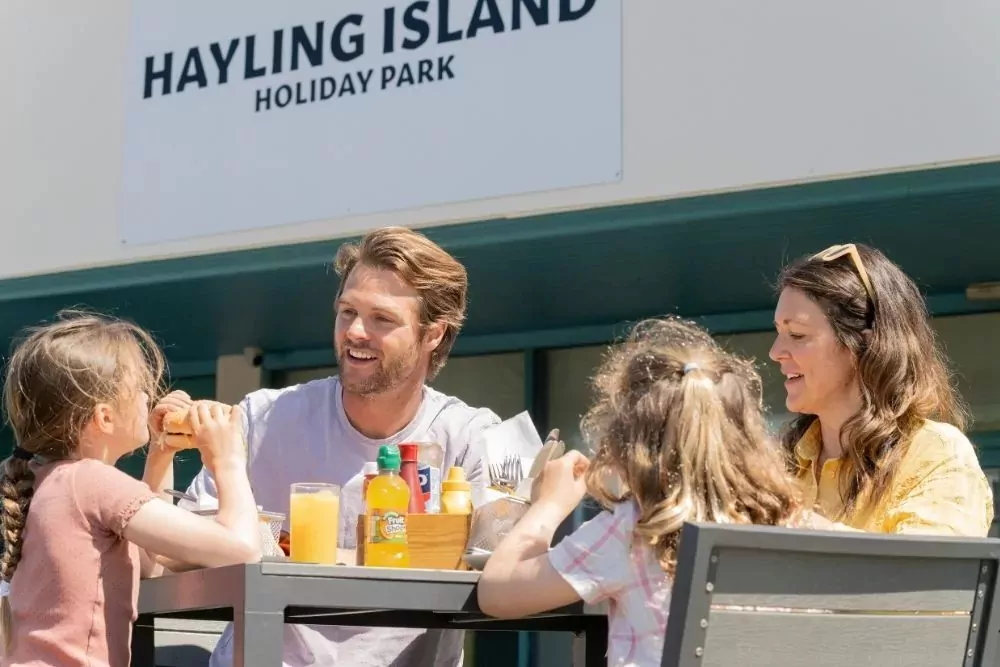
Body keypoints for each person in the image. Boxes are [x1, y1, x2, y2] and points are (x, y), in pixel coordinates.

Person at [164, 227, 502, 667]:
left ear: (433, 335)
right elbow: (175, 551)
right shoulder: (263, 417)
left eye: (382, 319)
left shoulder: (475, 437)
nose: (356, 332)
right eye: (347, 312)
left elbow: (504, 568)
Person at [477, 316, 812, 667]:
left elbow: (497, 592)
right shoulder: (802, 527)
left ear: (629, 441)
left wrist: (550, 504)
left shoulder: (633, 532)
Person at [0, 310, 261, 667]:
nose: (148, 396)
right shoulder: (93, 481)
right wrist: (229, 459)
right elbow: (242, 550)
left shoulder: (47, 478)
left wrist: (160, 454)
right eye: (139, 387)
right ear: (104, 418)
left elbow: (145, 561)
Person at [770, 242, 994, 535]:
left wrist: (796, 523)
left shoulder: (936, 453)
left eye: (797, 335)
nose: (775, 352)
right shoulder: (777, 466)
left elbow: (927, 574)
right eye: (778, 333)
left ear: (864, 346)